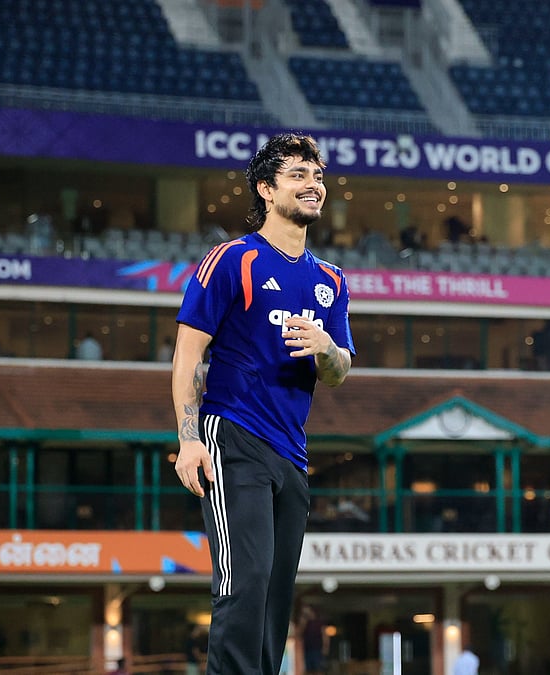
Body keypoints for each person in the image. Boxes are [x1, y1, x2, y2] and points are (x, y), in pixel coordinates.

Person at [172, 133, 355, 675]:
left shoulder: (331, 281)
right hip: (232, 437)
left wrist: (327, 349)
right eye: (298, 174)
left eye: (318, 175)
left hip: (292, 455)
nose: (313, 184)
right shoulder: (232, 260)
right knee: (243, 580)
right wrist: (187, 438)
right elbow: (187, 356)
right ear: (266, 187)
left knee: (276, 598)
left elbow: (340, 373)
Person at [300, 605, 326, 675]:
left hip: (317, 648)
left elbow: (324, 635)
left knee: (318, 668)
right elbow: (300, 632)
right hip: (307, 649)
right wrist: (304, 619)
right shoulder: (306, 623)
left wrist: (325, 647)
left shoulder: (319, 623)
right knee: (308, 669)